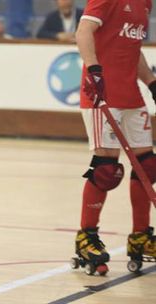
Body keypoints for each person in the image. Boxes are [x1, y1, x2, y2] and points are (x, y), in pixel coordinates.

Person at [74, 0, 156, 275]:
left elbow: (133, 51)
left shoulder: (145, 3)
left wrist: (151, 82)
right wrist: (93, 70)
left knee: (147, 164)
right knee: (106, 168)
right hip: (102, 94)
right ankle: (86, 237)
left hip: (131, 94)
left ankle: (141, 236)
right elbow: (83, 31)